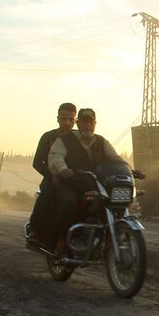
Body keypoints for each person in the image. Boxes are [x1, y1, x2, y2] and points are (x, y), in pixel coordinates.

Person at [48, 107, 143, 254]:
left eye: (90, 122)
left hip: (97, 185)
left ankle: (104, 236)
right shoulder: (65, 140)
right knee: (69, 202)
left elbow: (115, 158)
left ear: (94, 124)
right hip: (72, 184)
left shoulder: (101, 141)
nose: (87, 125)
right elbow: (56, 156)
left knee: (113, 204)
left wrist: (130, 170)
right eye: (84, 122)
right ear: (78, 123)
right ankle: (61, 241)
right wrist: (63, 169)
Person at [27, 102, 77, 246]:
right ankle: (34, 230)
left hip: (74, 180)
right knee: (47, 192)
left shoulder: (78, 139)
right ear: (58, 119)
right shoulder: (48, 137)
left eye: (71, 119)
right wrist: (52, 175)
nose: (67, 123)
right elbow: (37, 162)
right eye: (63, 119)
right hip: (52, 179)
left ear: (75, 121)